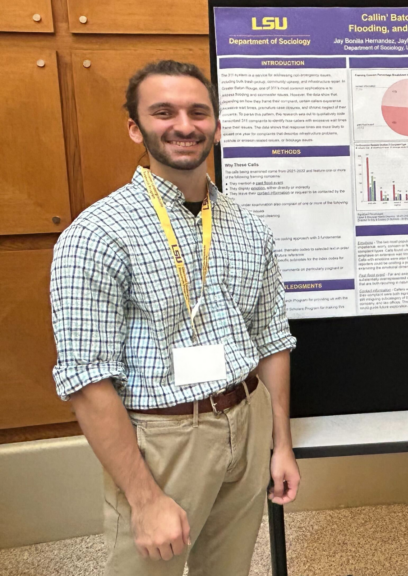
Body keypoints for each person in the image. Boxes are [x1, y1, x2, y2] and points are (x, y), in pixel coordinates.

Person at [50, 60, 301, 576]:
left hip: (247, 420)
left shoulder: (249, 229)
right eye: (163, 112)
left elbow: (272, 339)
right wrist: (143, 499)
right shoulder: (96, 234)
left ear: (216, 125)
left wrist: (281, 444)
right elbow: (86, 380)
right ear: (135, 127)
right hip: (164, 439)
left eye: (198, 112)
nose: (184, 125)